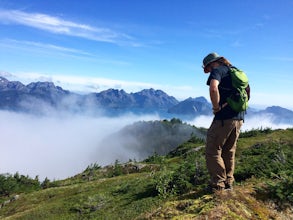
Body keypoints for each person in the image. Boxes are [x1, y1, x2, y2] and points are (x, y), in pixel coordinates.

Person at [202, 52, 246, 192]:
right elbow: (247, 93)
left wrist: (216, 108)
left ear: (212, 63)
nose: (209, 71)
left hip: (224, 119)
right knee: (229, 151)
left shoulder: (218, 70)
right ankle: (228, 182)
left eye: (208, 68)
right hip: (239, 118)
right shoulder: (235, 72)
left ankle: (218, 184)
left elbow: (213, 88)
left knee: (212, 150)